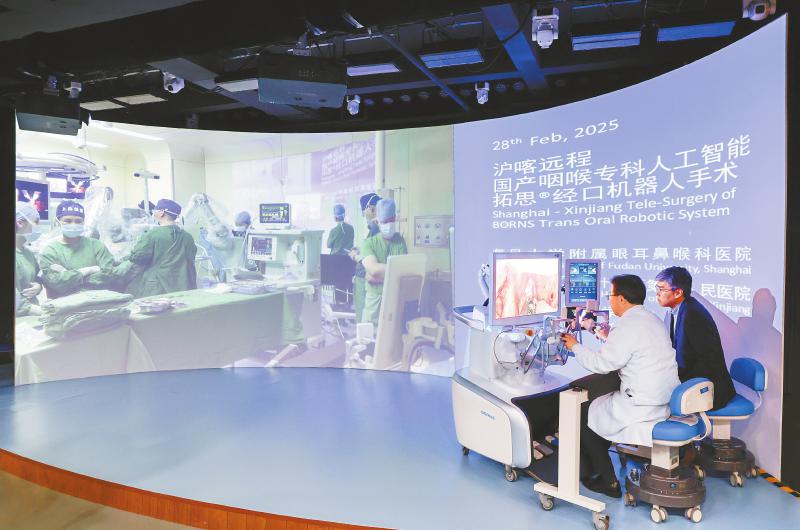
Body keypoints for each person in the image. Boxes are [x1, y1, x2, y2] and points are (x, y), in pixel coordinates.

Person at [561, 274, 680, 498]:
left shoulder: (626, 327)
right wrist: (608, 338)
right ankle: (596, 468)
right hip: (662, 399)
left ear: (622, 299)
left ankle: (607, 480)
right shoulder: (652, 319)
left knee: (583, 412)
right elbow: (636, 350)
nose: (610, 299)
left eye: (611, 295)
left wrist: (574, 346)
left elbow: (601, 364)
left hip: (641, 405)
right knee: (599, 407)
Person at [655, 266, 735, 410]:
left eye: (661, 289)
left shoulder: (692, 314)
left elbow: (694, 361)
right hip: (695, 378)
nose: (657, 293)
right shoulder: (679, 310)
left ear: (678, 292)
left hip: (710, 390)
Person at [39, 200, 121, 299]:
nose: (73, 224)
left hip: (97, 301)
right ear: (58, 222)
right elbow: (57, 283)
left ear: (83, 222)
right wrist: (86, 271)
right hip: (64, 304)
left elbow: (108, 275)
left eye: (78, 221)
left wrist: (71, 277)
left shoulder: (96, 245)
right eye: (68, 221)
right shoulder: (50, 251)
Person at [125, 199, 197, 298]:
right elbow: (190, 257)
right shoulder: (187, 237)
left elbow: (137, 257)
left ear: (162, 212)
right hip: (183, 286)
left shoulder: (152, 235)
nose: (153, 212)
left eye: (155, 210)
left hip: (159, 288)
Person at [361, 198, 408, 326]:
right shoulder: (369, 243)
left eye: (391, 220)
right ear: (378, 221)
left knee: (392, 333)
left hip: (394, 300)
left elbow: (404, 273)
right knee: (370, 336)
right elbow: (373, 270)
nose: (388, 224)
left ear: (395, 219)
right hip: (374, 304)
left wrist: (376, 276)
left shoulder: (400, 242)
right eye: (384, 222)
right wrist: (395, 273)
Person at [349, 192, 382, 322]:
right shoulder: (376, 231)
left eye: (364, 211)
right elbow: (373, 251)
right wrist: (361, 250)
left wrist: (356, 256)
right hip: (364, 278)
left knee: (364, 319)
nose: (363, 215)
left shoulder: (376, 230)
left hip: (366, 280)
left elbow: (372, 261)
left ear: (370, 209)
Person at [15, 201, 43, 316]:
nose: (38, 227)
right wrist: (31, 309)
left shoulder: (28, 253)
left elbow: (36, 277)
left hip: (31, 316)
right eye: (36, 222)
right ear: (20, 223)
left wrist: (38, 286)